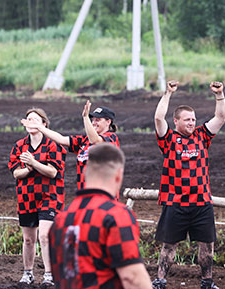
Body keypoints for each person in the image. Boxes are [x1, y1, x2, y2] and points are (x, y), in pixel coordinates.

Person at [152, 80, 225, 289]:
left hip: (201, 201)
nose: (192, 123)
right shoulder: (168, 139)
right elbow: (158, 117)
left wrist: (219, 94)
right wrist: (168, 93)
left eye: (193, 119)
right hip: (175, 201)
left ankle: (207, 282)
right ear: (176, 121)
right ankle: (160, 281)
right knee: (169, 245)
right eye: (187, 120)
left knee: (207, 244)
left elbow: (221, 117)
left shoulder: (202, 136)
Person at [48, 143, 152, 289]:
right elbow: (132, 277)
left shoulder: (60, 219)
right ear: (118, 175)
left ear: (85, 173)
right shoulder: (116, 214)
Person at [8, 108, 66, 286]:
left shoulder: (53, 145)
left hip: (50, 196)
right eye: (28, 119)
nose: (31, 122)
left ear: (44, 124)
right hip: (26, 197)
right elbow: (16, 173)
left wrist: (33, 162)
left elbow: (52, 171)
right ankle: (28, 273)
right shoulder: (19, 146)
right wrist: (27, 169)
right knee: (28, 239)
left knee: (45, 236)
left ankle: (49, 275)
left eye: (35, 119)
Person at [21, 100, 120, 191]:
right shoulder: (84, 140)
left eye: (97, 120)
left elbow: (95, 140)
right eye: (92, 119)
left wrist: (85, 118)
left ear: (108, 122)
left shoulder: (111, 138)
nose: (93, 123)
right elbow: (61, 139)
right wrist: (39, 127)